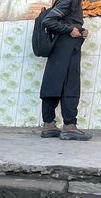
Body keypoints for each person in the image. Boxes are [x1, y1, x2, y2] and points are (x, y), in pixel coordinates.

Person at [40, 0, 92, 141]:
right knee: (70, 85)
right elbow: (48, 20)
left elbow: (61, 21)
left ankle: (48, 125)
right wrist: (70, 29)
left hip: (60, 47)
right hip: (67, 47)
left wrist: (80, 31)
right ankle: (70, 126)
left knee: (53, 82)